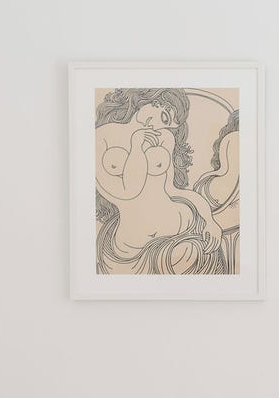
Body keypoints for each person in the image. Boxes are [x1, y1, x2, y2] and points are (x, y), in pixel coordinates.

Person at [94, 87, 226, 275]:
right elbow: (130, 190)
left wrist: (210, 220)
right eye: (164, 117)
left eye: (169, 126)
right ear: (151, 100)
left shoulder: (163, 136)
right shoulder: (102, 136)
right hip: (131, 247)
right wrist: (137, 146)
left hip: (184, 228)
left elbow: (174, 191)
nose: (160, 128)